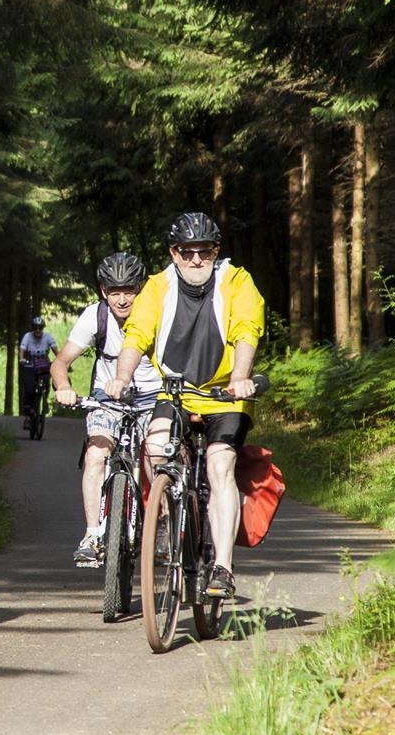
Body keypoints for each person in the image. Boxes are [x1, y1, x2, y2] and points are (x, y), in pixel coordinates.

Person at [108, 212, 264, 600]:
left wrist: (240, 377)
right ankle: (165, 516)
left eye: (205, 252)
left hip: (225, 394)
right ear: (174, 254)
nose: (197, 260)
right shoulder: (158, 286)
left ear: (216, 252)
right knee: (155, 446)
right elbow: (137, 334)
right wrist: (122, 378)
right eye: (188, 252)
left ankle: (223, 567)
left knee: (219, 464)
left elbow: (247, 328)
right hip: (175, 392)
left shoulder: (236, 281)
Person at [51, 251, 160, 565]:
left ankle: (162, 522)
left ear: (140, 289)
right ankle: (92, 535)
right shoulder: (95, 316)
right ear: (103, 291)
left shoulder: (157, 315)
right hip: (106, 397)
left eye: (129, 291)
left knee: (157, 453)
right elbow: (61, 363)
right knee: (96, 454)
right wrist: (64, 388)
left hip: (153, 395)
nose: (122, 299)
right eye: (115, 292)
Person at [17, 315, 58, 418]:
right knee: (29, 390)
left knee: (46, 383)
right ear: (32, 328)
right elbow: (22, 348)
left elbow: (55, 349)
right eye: (35, 328)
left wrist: (60, 361)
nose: (38, 330)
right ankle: (28, 414)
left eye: (40, 328)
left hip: (43, 363)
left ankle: (44, 401)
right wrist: (22, 359)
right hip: (30, 363)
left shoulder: (48, 337)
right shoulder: (27, 336)